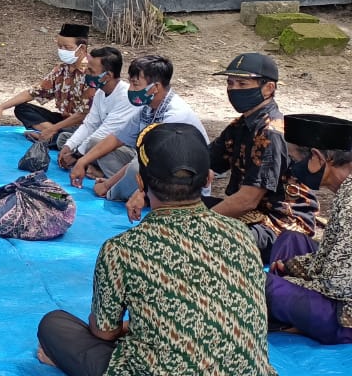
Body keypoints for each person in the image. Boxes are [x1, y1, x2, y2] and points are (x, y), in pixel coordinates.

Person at [37, 123, 277, 376]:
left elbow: (104, 331)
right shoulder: (241, 234)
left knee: (55, 325)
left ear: (140, 183)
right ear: (208, 179)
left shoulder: (122, 249)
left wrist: (142, 326)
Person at [202, 53, 316, 262]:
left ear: (268, 88)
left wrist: (200, 222)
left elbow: (247, 200)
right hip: (250, 215)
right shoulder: (241, 125)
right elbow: (204, 160)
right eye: (230, 82)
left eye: (242, 83)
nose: (233, 89)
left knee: (207, 239)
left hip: (281, 224)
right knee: (177, 206)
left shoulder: (271, 133)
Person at [68, 55, 207, 204]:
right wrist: (82, 162)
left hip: (180, 177)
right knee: (97, 144)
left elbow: (145, 162)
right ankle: (127, 186)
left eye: (135, 84)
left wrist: (108, 185)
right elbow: (117, 138)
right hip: (151, 163)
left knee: (136, 167)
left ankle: (128, 192)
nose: (131, 89)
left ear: (156, 87)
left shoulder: (174, 116)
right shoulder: (147, 108)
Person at [266, 113, 352, 345]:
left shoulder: (350, 200)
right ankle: (285, 316)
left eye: (294, 160)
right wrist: (293, 266)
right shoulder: (346, 191)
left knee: (258, 284)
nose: (294, 168)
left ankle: (283, 315)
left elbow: (337, 284)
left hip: (344, 318)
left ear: (317, 157)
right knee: (291, 238)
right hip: (339, 286)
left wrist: (295, 280)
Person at [0, 23, 93, 148]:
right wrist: (2, 107)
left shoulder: (93, 71)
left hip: (85, 124)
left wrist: (55, 128)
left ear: (81, 49)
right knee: (22, 108)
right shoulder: (61, 69)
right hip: (64, 121)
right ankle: (54, 135)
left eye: (67, 47)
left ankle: (55, 136)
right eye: (60, 46)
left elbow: (85, 114)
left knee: (86, 136)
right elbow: (34, 92)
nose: (62, 50)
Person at [58, 47, 139, 175]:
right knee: (64, 139)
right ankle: (90, 164)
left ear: (107, 76)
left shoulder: (125, 96)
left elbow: (106, 132)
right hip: (102, 141)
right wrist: (69, 146)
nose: (86, 73)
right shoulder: (100, 93)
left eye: (91, 71)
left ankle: (103, 172)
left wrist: (76, 155)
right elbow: (90, 124)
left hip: (123, 148)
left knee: (93, 142)